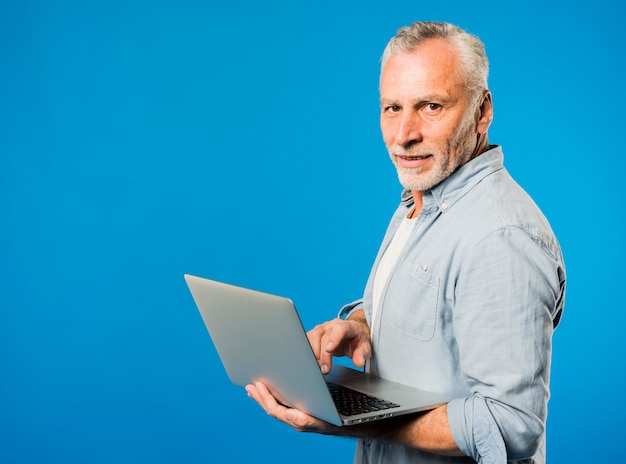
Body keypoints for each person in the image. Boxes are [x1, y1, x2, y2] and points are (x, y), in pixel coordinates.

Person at [246, 21, 566, 464]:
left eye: (430, 106)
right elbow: (434, 317)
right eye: (392, 107)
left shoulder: (501, 237)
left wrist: (353, 415)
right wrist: (360, 325)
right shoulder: (421, 196)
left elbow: (510, 426)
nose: (403, 135)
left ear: (482, 111)